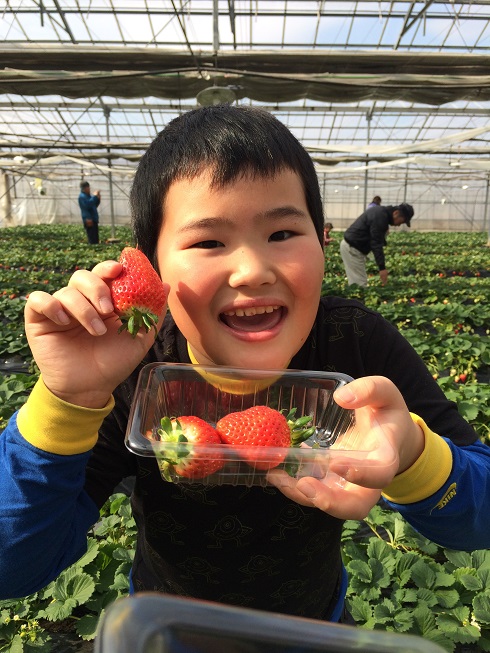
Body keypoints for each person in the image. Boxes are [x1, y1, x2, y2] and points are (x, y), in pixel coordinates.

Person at [1, 106, 489, 623]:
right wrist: (68, 402)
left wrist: (411, 453)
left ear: (323, 241)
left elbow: (480, 521)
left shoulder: (357, 346)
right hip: (169, 626)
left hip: (312, 625)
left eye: (282, 234)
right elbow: (13, 569)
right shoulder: (134, 367)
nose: (253, 271)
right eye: (208, 241)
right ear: (151, 264)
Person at [340, 202, 414, 287]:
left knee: (359, 281)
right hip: (352, 249)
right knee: (359, 284)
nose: (399, 225)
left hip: (355, 248)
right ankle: (356, 298)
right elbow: (376, 243)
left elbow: (376, 238)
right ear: (396, 213)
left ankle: (356, 297)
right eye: (402, 221)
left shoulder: (381, 213)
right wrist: (382, 268)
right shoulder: (381, 217)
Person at [78, 180, 101, 244]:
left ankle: (95, 249)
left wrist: (98, 198)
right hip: (89, 219)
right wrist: (94, 197)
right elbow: (87, 205)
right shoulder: (82, 196)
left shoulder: (89, 196)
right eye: (88, 187)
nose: (89, 189)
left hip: (94, 219)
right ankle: (92, 250)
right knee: (92, 238)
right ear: (84, 188)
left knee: (95, 238)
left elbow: (94, 205)